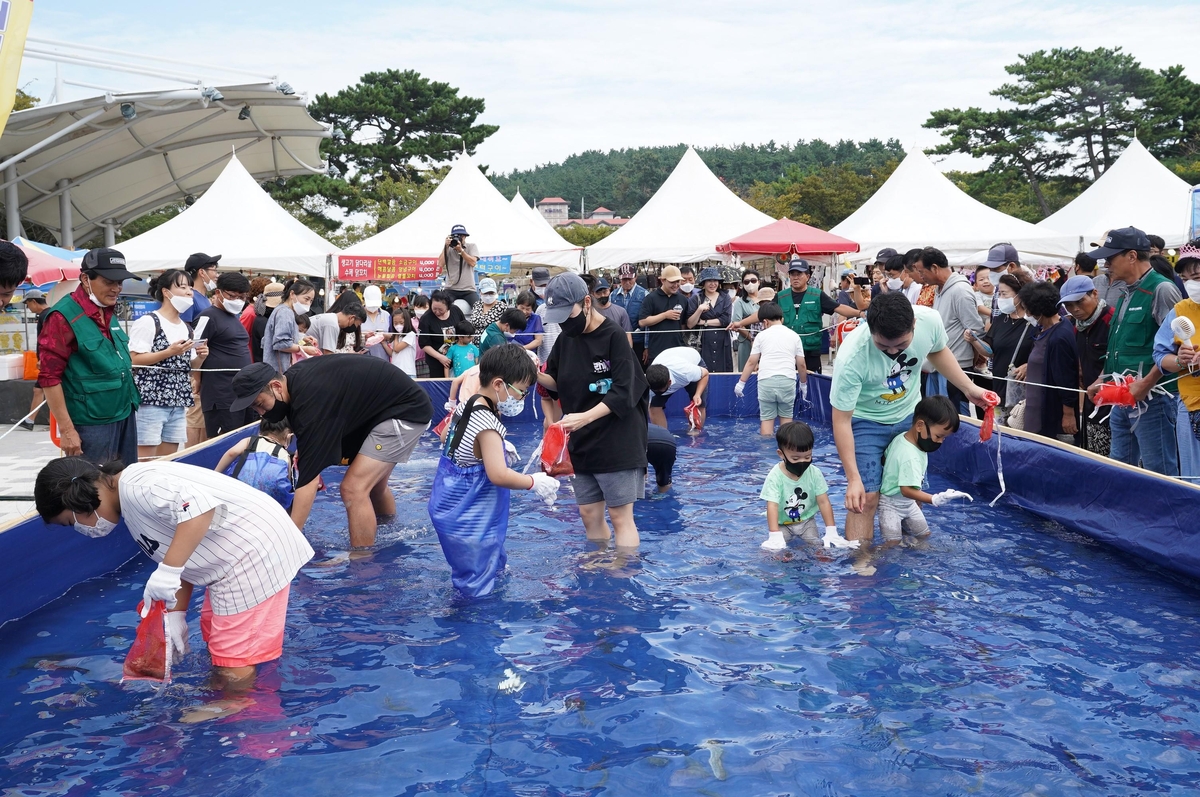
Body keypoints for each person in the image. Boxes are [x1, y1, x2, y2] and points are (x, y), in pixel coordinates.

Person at [34, 456, 313, 691]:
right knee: (216, 634)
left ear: (77, 501)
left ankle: (238, 705)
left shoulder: (138, 486)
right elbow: (183, 550)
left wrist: (167, 571)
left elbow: (198, 509)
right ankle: (234, 683)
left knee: (233, 656)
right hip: (236, 555)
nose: (82, 530)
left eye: (71, 522)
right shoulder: (129, 500)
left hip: (251, 553)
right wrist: (177, 612)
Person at [830, 292, 998, 546]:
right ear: (869, 328)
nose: (893, 352)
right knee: (867, 496)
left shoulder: (929, 321)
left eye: (901, 345)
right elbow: (841, 420)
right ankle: (860, 565)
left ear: (914, 326)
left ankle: (911, 554)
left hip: (909, 415)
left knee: (911, 489)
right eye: (883, 346)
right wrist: (853, 478)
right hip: (866, 421)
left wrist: (968, 389)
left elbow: (938, 351)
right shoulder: (852, 356)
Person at [229, 357, 434, 548]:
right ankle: (390, 533)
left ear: (275, 386)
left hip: (405, 411)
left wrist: (289, 542)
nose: (261, 413)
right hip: (381, 410)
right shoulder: (294, 383)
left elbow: (308, 479)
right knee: (374, 485)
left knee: (353, 489)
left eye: (259, 404)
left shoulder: (311, 400)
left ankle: (362, 563)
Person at [427, 345, 560, 597]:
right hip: (470, 519)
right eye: (521, 391)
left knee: (489, 567)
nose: (522, 398)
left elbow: (446, 437)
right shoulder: (488, 424)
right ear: (499, 384)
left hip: (447, 506)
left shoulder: (467, 403)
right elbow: (498, 475)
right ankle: (473, 631)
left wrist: (491, 449)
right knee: (476, 587)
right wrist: (533, 481)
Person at [537, 273, 649, 549]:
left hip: (617, 438)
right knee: (588, 513)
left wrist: (584, 417)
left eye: (568, 313)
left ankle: (623, 567)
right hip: (582, 439)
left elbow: (625, 391)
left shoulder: (614, 336)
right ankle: (598, 560)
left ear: (587, 302)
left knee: (620, 515)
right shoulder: (566, 339)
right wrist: (532, 372)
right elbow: (555, 381)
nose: (564, 322)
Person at [1085, 227, 1182, 477]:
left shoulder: (1162, 289)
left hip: (1155, 399)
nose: (1106, 264)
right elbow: (1118, 346)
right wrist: (1102, 379)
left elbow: (1177, 350)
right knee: (1120, 464)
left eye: (1110, 257)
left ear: (1131, 256)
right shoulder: (1127, 291)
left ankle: (1162, 515)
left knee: (1158, 470)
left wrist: (1146, 385)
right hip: (1123, 395)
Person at [37, 247, 141, 463]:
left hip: (124, 411)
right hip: (91, 422)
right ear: (85, 279)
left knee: (123, 484)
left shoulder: (107, 309)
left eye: (120, 282)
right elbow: (49, 377)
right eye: (109, 281)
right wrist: (66, 430)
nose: (116, 288)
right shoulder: (62, 317)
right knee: (93, 489)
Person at [129, 269, 209, 460]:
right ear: (166, 292)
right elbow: (133, 359)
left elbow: (189, 365)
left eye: (190, 287)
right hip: (150, 401)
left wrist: (201, 357)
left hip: (178, 402)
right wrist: (168, 352)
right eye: (182, 287)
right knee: (145, 460)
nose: (189, 292)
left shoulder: (186, 327)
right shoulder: (149, 322)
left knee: (166, 461)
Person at [730, 257, 860, 374]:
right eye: (792, 274)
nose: (795, 277)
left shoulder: (817, 295)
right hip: (786, 352)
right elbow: (762, 313)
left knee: (811, 385)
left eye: (799, 274)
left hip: (810, 351)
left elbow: (839, 308)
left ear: (808, 276)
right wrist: (740, 323)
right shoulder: (781, 296)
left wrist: (860, 313)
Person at [878, 395, 972, 545]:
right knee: (892, 543)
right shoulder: (908, 455)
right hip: (891, 506)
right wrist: (934, 499)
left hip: (908, 504)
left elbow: (885, 458)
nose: (940, 441)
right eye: (939, 436)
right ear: (920, 425)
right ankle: (869, 561)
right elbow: (906, 490)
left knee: (923, 535)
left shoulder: (904, 439)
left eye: (944, 438)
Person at [758, 421, 857, 551]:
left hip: (806, 522)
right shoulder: (775, 477)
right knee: (778, 551)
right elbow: (772, 505)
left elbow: (824, 502)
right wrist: (774, 534)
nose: (802, 462)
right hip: (782, 524)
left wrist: (831, 531)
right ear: (781, 454)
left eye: (807, 457)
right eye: (795, 458)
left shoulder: (814, 473)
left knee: (817, 547)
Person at [920, 248, 988, 416]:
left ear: (935, 268)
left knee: (956, 418)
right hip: (938, 365)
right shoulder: (939, 289)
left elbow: (976, 330)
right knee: (938, 417)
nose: (920, 276)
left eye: (922, 272)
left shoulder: (960, 291)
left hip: (957, 366)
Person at [1153, 245, 1200, 479]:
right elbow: (1161, 356)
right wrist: (1180, 359)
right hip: (1191, 405)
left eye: (1197, 277)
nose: (1191, 284)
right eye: (1185, 279)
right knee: (1194, 477)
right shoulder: (1180, 311)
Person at [1017, 281, 1080, 443]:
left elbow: (1066, 379)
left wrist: (1068, 414)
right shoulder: (1042, 329)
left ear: (1036, 310)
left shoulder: (1059, 337)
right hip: (1035, 408)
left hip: (1050, 414)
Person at [734, 301, 808, 436]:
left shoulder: (761, 336)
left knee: (767, 419)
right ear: (782, 319)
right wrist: (803, 384)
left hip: (766, 381)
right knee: (786, 420)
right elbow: (801, 364)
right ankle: (786, 451)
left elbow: (751, 362)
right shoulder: (794, 335)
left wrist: (741, 383)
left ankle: (766, 453)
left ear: (765, 322)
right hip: (788, 381)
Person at [1060, 275, 1115, 453]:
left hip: (1117, 404)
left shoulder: (1112, 320)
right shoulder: (1076, 325)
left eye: (1080, 301)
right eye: (1069, 305)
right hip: (1092, 404)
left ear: (1094, 294)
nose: (1075, 309)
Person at [971, 273, 1034, 426]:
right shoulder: (1000, 320)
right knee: (1001, 435)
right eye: (999, 293)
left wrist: (1029, 365)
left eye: (1004, 294)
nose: (1000, 297)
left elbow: (1043, 352)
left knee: (1020, 434)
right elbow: (989, 351)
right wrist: (974, 341)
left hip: (1025, 393)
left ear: (1019, 295)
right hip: (1000, 389)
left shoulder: (1032, 321)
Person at [198, 272, 253, 439]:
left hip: (242, 391)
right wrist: (196, 379)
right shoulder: (207, 316)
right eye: (232, 296)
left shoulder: (233, 316)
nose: (237, 300)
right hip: (221, 394)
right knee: (226, 441)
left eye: (242, 297)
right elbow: (193, 349)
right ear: (218, 293)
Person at [214, 417, 297, 511]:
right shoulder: (285, 455)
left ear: (261, 430)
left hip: (241, 493)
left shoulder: (250, 441)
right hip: (269, 503)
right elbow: (288, 482)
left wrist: (215, 473)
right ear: (288, 436)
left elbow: (232, 453)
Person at [646, 346, 710, 430]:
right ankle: (662, 434)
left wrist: (698, 394)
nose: (660, 393)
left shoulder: (687, 372)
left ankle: (695, 435)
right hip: (669, 358)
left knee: (698, 404)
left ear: (669, 382)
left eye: (662, 391)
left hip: (692, 360)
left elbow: (705, 374)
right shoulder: (651, 378)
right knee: (653, 406)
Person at [262, 279, 318, 373]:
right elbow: (281, 344)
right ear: (292, 294)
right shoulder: (285, 312)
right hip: (278, 370)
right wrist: (304, 349)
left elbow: (275, 339)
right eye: (306, 299)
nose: (308, 304)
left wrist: (302, 340)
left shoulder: (283, 310)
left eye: (311, 301)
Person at [686, 267, 734, 372]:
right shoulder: (696, 298)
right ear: (703, 282)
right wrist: (699, 310)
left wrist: (704, 322)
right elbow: (690, 324)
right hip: (703, 341)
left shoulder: (725, 297)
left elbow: (725, 320)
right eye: (709, 281)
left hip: (722, 341)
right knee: (703, 372)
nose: (713, 284)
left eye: (715, 280)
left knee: (723, 371)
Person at [637, 265, 686, 364]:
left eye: (678, 282)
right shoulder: (651, 298)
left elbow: (684, 324)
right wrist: (664, 315)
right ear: (663, 280)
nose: (676, 285)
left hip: (677, 349)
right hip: (657, 349)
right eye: (672, 282)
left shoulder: (682, 299)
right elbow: (642, 322)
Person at [418, 290, 468, 378]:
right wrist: (440, 357)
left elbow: (464, 329)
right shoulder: (426, 318)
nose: (437, 312)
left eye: (440, 309)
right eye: (434, 309)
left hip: (457, 358)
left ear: (448, 306)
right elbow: (424, 344)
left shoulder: (455, 311)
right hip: (436, 362)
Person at [20, 288, 49, 431]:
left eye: (27, 304)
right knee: (39, 390)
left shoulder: (46, 315)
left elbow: (48, 340)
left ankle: (32, 420)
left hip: (48, 360)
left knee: (44, 389)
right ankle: (30, 420)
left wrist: (43, 358)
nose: (28, 307)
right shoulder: (45, 315)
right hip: (47, 359)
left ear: (33, 301)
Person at [610, 264, 647, 364]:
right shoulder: (613, 295)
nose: (627, 282)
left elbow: (647, 323)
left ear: (635, 277)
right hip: (618, 339)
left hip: (638, 339)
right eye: (624, 279)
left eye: (630, 279)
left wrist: (647, 347)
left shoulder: (644, 294)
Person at [439, 224, 480, 308]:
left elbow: (473, 263)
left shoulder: (471, 246)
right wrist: (446, 246)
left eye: (461, 236)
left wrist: (461, 251)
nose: (458, 238)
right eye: (455, 236)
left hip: (468, 289)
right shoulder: (448, 249)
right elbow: (440, 264)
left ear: (465, 236)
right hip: (450, 289)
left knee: (478, 308)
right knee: (441, 307)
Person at [588, 276, 633, 347]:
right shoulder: (589, 312)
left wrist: (630, 353)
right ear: (593, 294)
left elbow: (627, 334)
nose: (602, 295)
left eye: (604, 292)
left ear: (609, 290)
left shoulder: (621, 311)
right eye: (598, 293)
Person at [731, 269, 762, 370]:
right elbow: (737, 324)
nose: (750, 284)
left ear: (759, 282)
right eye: (746, 282)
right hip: (746, 343)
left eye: (753, 281)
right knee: (746, 373)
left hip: (767, 343)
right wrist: (752, 338)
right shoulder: (740, 302)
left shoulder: (767, 299)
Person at [178, 252, 218, 323]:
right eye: (214, 270)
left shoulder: (205, 298)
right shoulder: (189, 298)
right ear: (202, 272)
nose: (217, 275)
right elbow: (184, 329)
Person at [360, 285, 392, 361]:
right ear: (364, 300)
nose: (373, 307)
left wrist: (383, 336)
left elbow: (393, 335)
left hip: (382, 357)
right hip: (364, 358)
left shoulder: (386, 315)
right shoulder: (359, 316)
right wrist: (363, 336)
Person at [510, 291, 544, 358]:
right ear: (517, 305)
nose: (524, 312)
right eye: (522, 308)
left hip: (529, 355)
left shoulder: (536, 319)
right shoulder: (510, 316)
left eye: (528, 309)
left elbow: (538, 341)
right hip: (511, 354)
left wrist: (523, 348)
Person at [646, 423, 677, 494]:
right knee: (664, 480)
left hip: (647, 442)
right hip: (669, 443)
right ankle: (661, 496)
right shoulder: (653, 426)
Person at [388, 306, 418, 376]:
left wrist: (395, 335)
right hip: (395, 371)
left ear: (407, 321)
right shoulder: (396, 337)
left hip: (408, 372)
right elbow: (392, 353)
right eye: (395, 323)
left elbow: (396, 349)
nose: (398, 325)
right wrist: (383, 343)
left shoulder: (411, 334)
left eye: (401, 323)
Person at [410, 294, 432, 378]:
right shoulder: (410, 322)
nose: (421, 310)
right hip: (412, 359)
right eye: (418, 307)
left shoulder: (431, 323)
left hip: (427, 359)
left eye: (424, 307)